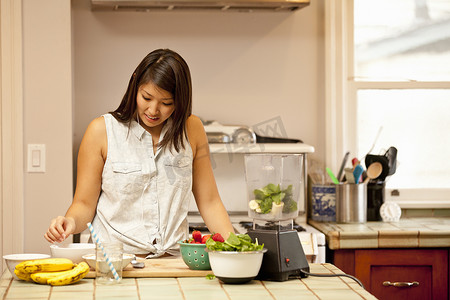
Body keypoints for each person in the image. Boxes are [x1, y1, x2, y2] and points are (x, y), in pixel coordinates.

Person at [44, 48, 234, 258]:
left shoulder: (192, 129)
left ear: (180, 101)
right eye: (147, 97)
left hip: (173, 262)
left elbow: (210, 202)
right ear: (135, 85)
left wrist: (237, 248)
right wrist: (69, 222)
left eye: (166, 103)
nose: (153, 110)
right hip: (114, 262)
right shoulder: (101, 131)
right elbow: (84, 204)